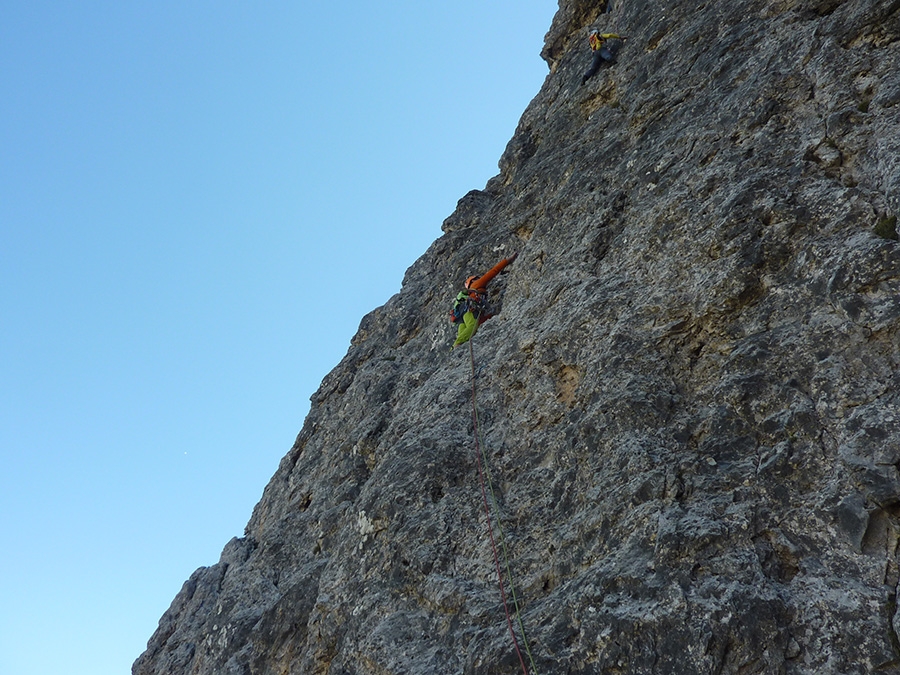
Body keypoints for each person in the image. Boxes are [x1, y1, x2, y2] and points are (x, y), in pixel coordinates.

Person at [451, 252, 518, 349]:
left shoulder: (471, 293)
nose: (480, 278)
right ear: (473, 281)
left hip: (462, 317)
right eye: (477, 278)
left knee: (466, 333)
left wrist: (491, 317)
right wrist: (507, 260)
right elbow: (492, 272)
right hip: (470, 311)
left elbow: (480, 321)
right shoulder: (476, 285)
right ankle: (456, 345)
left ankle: (453, 351)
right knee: (472, 328)